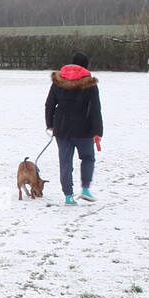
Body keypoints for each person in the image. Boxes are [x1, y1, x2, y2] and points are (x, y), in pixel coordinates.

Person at [45, 50, 103, 205]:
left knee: (65, 162)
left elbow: (49, 104)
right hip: (84, 129)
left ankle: (68, 197)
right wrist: (98, 131)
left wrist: (50, 124)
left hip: (62, 129)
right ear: (85, 66)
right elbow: (95, 109)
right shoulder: (89, 84)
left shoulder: (58, 81)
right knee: (88, 158)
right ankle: (85, 188)